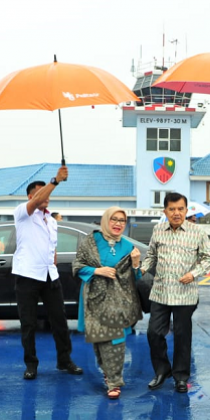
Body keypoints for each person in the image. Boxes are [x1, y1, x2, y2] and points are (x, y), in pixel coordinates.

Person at [13, 167, 82, 380]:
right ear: (30, 196)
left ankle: (64, 360)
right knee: (29, 323)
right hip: (27, 275)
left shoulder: (51, 220)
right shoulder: (22, 212)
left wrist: (53, 259)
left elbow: (51, 246)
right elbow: (36, 201)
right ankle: (31, 364)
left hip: (50, 275)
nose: (47, 197)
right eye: (42, 193)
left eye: (49, 194)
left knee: (59, 320)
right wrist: (55, 180)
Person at [141, 192, 210, 393]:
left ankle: (181, 377)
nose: (176, 213)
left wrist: (194, 273)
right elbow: (151, 256)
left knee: (182, 336)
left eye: (180, 209)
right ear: (165, 211)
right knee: (154, 333)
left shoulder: (197, 232)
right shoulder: (158, 230)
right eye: (172, 209)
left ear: (186, 210)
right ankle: (162, 370)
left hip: (185, 293)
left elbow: (209, 258)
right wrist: (142, 267)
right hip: (161, 292)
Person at [72, 206, 143, 399]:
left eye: (122, 220)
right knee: (100, 340)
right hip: (94, 298)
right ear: (105, 220)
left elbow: (136, 278)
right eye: (114, 219)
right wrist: (97, 271)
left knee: (117, 341)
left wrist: (136, 263)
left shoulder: (128, 246)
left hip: (119, 300)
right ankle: (107, 372)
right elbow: (77, 266)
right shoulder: (91, 241)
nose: (118, 224)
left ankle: (114, 382)